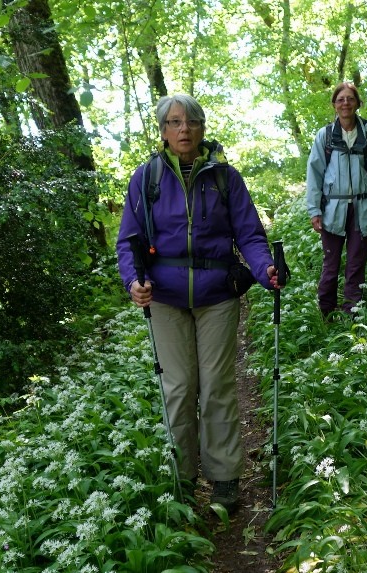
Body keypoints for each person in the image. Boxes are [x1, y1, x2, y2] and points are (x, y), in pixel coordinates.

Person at [116, 94, 281, 510]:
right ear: (163, 131)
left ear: (202, 128)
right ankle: (183, 477)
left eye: (191, 121)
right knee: (178, 387)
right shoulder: (146, 178)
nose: (183, 129)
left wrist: (265, 270)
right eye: (174, 122)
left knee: (217, 385)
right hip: (164, 297)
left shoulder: (226, 177)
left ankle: (224, 478)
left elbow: (250, 235)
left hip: (217, 295)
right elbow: (128, 241)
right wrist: (134, 281)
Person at [305, 81, 367, 318]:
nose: (345, 103)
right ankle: (325, 315)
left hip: (362, 210)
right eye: (341, 99)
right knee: (330, 265)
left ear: (357, 103)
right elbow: (314, 174)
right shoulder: (325, 136)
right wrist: (314, 210)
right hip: (332, 210)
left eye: (350, 99)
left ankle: (352, 315)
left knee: (356, 265)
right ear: (334, 104)